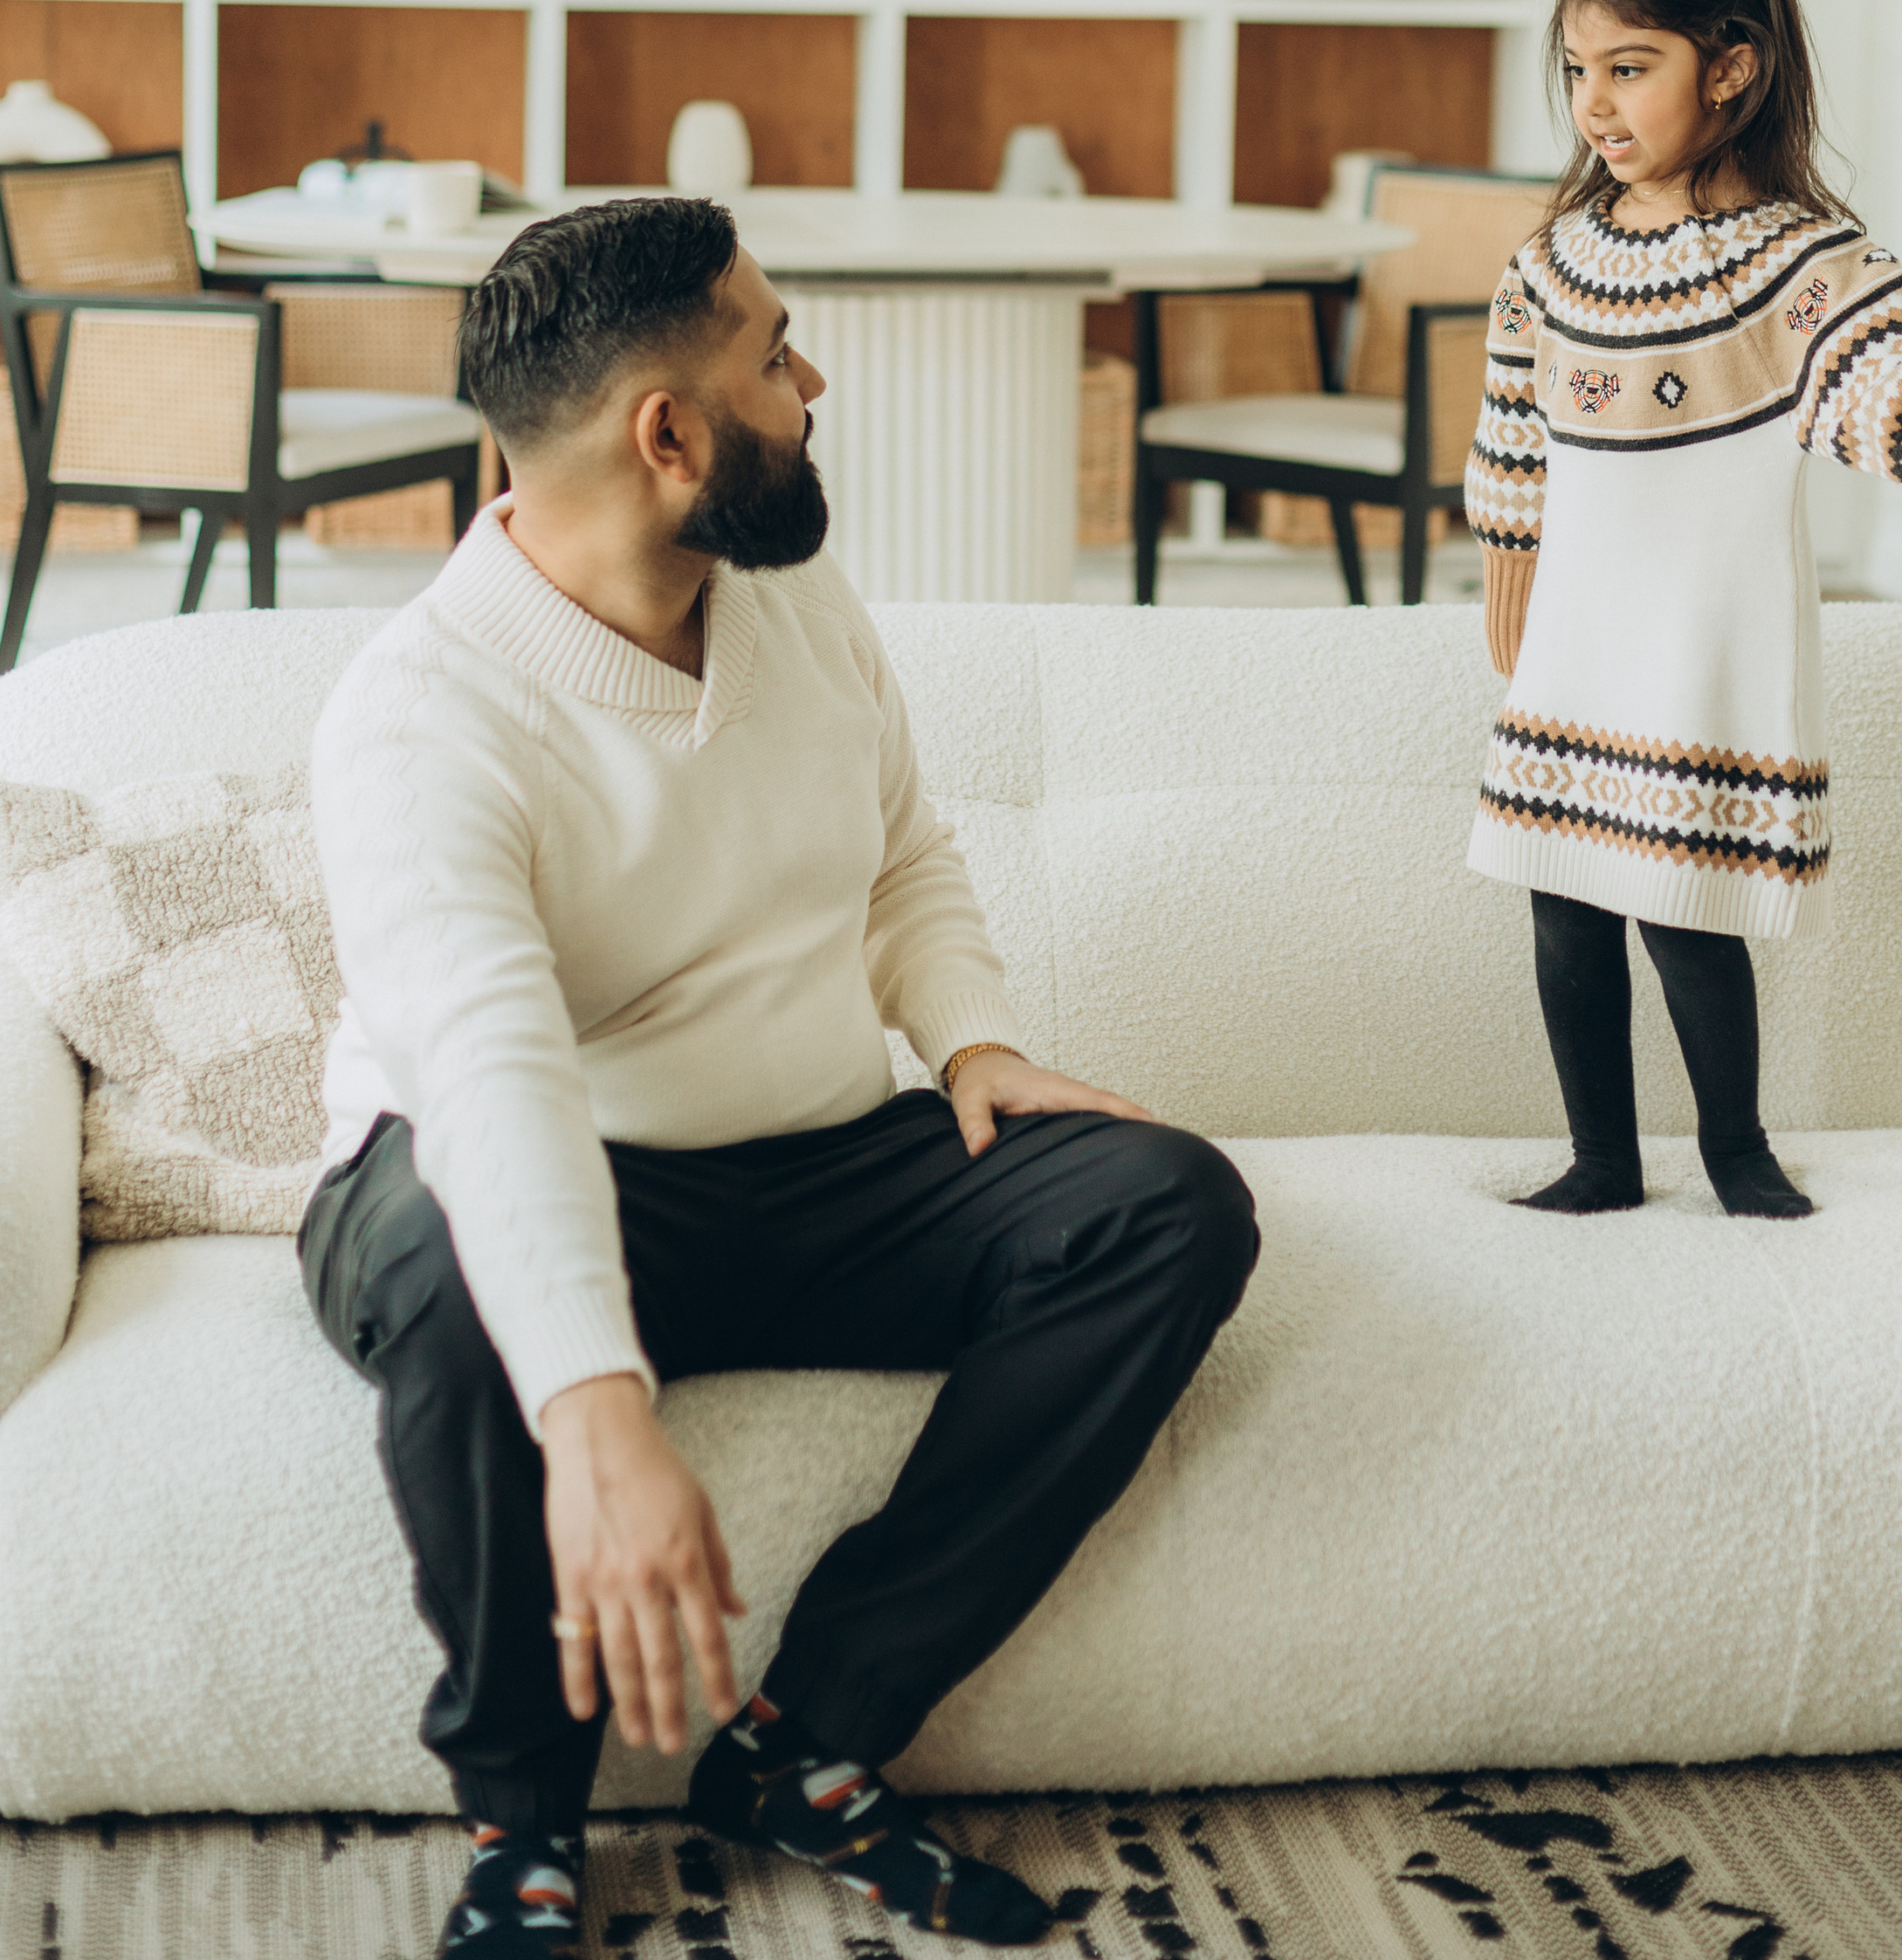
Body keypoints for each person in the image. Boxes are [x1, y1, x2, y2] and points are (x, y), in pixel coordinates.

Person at [297, 197, 1258, 1959]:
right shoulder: (416, 715)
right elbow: (493, 1072)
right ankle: (522, 1819)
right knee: (454, 1285)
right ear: (667, 434)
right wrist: (594, 1404)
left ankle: (800, 1744)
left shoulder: (794, 594)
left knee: (1160, 1202)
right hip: (505, 1155)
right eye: (772, 350)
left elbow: (902, 856)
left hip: (804, 1159)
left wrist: (969, 1041)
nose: (809, 383)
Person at [1466, 0, 1902, 1221]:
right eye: (1577, 72)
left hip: (1696, 643)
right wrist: (1514, 599)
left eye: (1630, 68)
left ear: (1730, 69)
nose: (1596, 104)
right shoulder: (1548, 267)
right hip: (1574, 642)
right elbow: (1512, 445)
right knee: (1562, 902)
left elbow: (1892, 350)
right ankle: (1601, 1161)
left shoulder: (1789, 265)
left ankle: (1736, 1149)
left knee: (1682, 904)